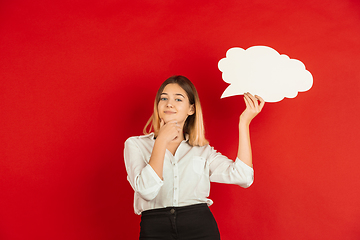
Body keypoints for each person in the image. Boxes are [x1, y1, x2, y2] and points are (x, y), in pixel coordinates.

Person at [124, 75, 265, 240]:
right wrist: (161, 140)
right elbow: (146, 191)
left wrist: (244, 123)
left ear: (191, 109)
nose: (169, 103)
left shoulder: (202, 150)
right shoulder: (135, 144)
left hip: (200, 227)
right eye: (164, 98)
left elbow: (244, 177)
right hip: (155, 228)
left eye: (178, 99)